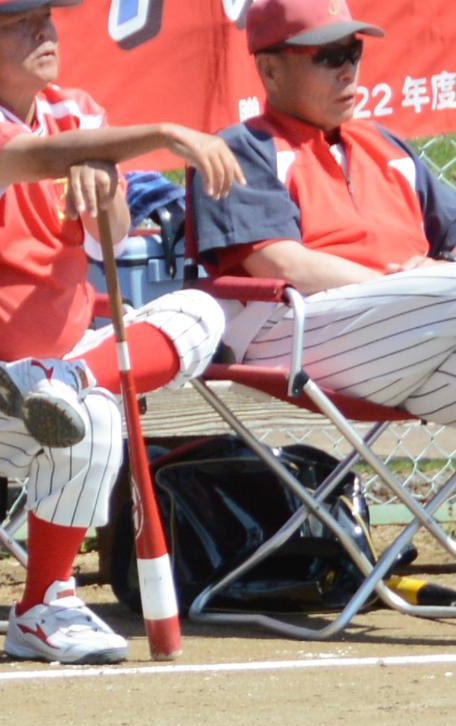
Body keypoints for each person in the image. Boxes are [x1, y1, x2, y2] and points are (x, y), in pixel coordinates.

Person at [0, 0, 245, 663]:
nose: (42, 29)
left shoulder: (77, 114)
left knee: (202, 312)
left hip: (54, 367)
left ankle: (67, 380)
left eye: (44, 14)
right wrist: (159, 133)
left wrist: (105, 183)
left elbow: (112, 241)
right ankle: (45, 604)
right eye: (17, 21)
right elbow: (32, 156)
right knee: (94, 418)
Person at [188, 0, 456, 421]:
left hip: (409, 335)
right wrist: (404, 283)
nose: (348, 72)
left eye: (353, 52)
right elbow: (280, 264)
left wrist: (430, 277)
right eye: (329, 56)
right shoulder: (242, 148)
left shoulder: (384, 145)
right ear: (270, 70)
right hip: (293, 333)